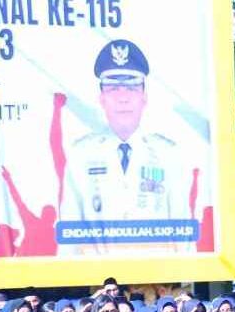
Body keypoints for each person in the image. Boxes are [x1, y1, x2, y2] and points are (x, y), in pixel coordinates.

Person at [62, 39, 191, 226]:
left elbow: (183, 234)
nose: (123, 97)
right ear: (102, 98)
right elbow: (69, 233)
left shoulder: (168, 154)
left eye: (131, 87)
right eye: (113, 88)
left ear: (144, 98)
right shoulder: (80, 154)